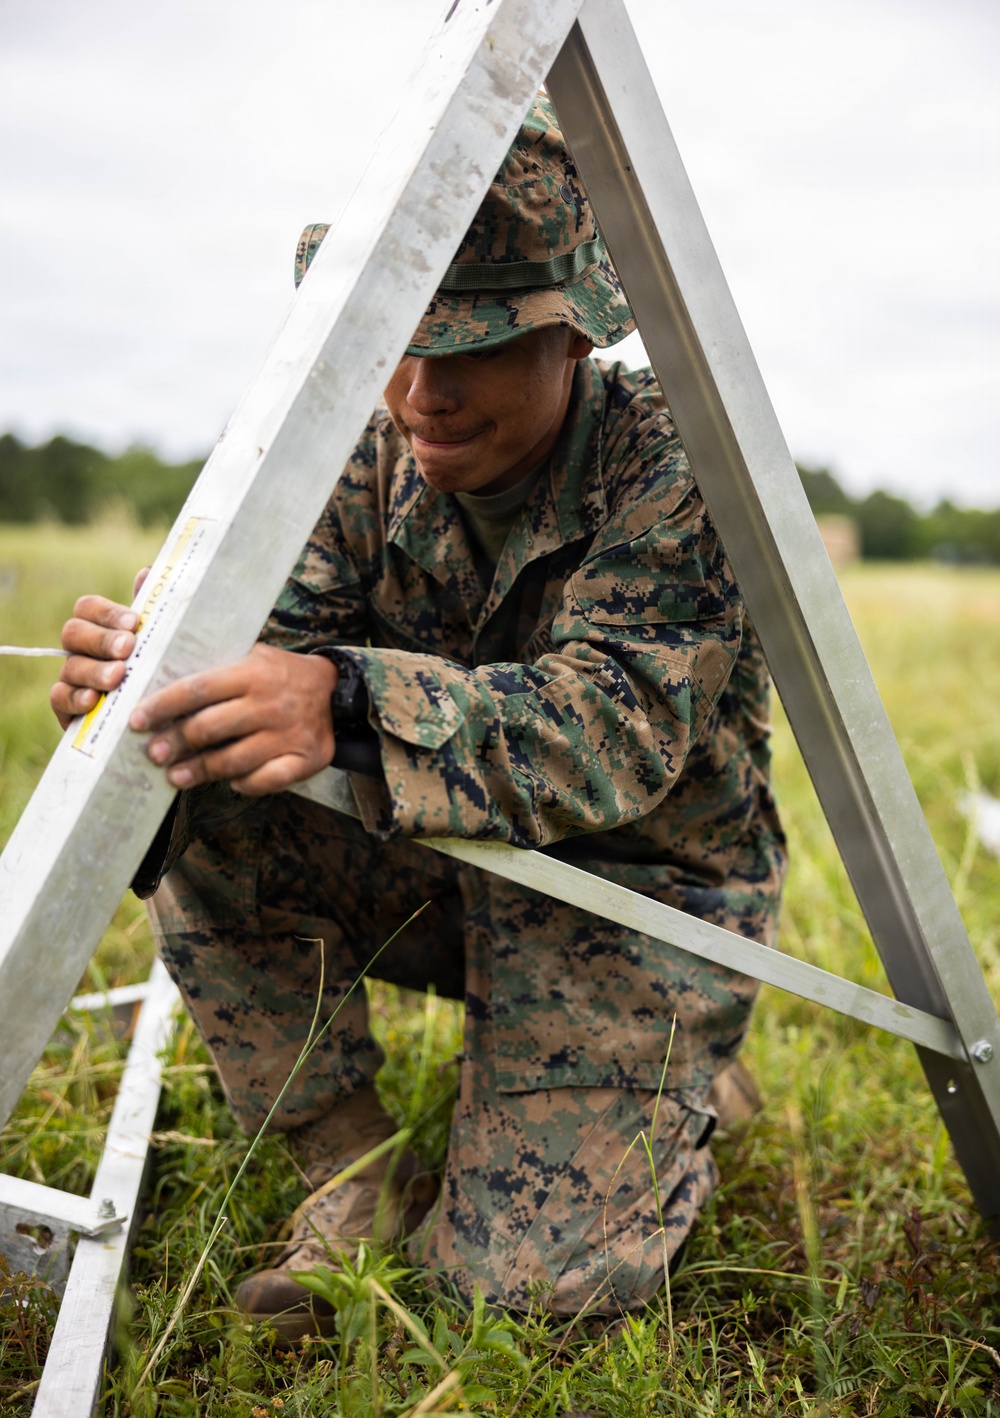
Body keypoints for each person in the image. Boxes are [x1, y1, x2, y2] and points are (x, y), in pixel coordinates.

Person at [52, 95, 786, 1341]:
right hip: (430, 861)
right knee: (213, 766)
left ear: (572, 334)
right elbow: (257, 652)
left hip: (626, 890)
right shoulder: (350, 451)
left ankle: (673, 1067)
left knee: (521, 1298)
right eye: (399, 340)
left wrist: (339, 693)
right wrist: (154, 684)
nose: (424, 392)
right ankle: (349, 1176)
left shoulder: (680, 465)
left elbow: (606, 732)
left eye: (477, 346)